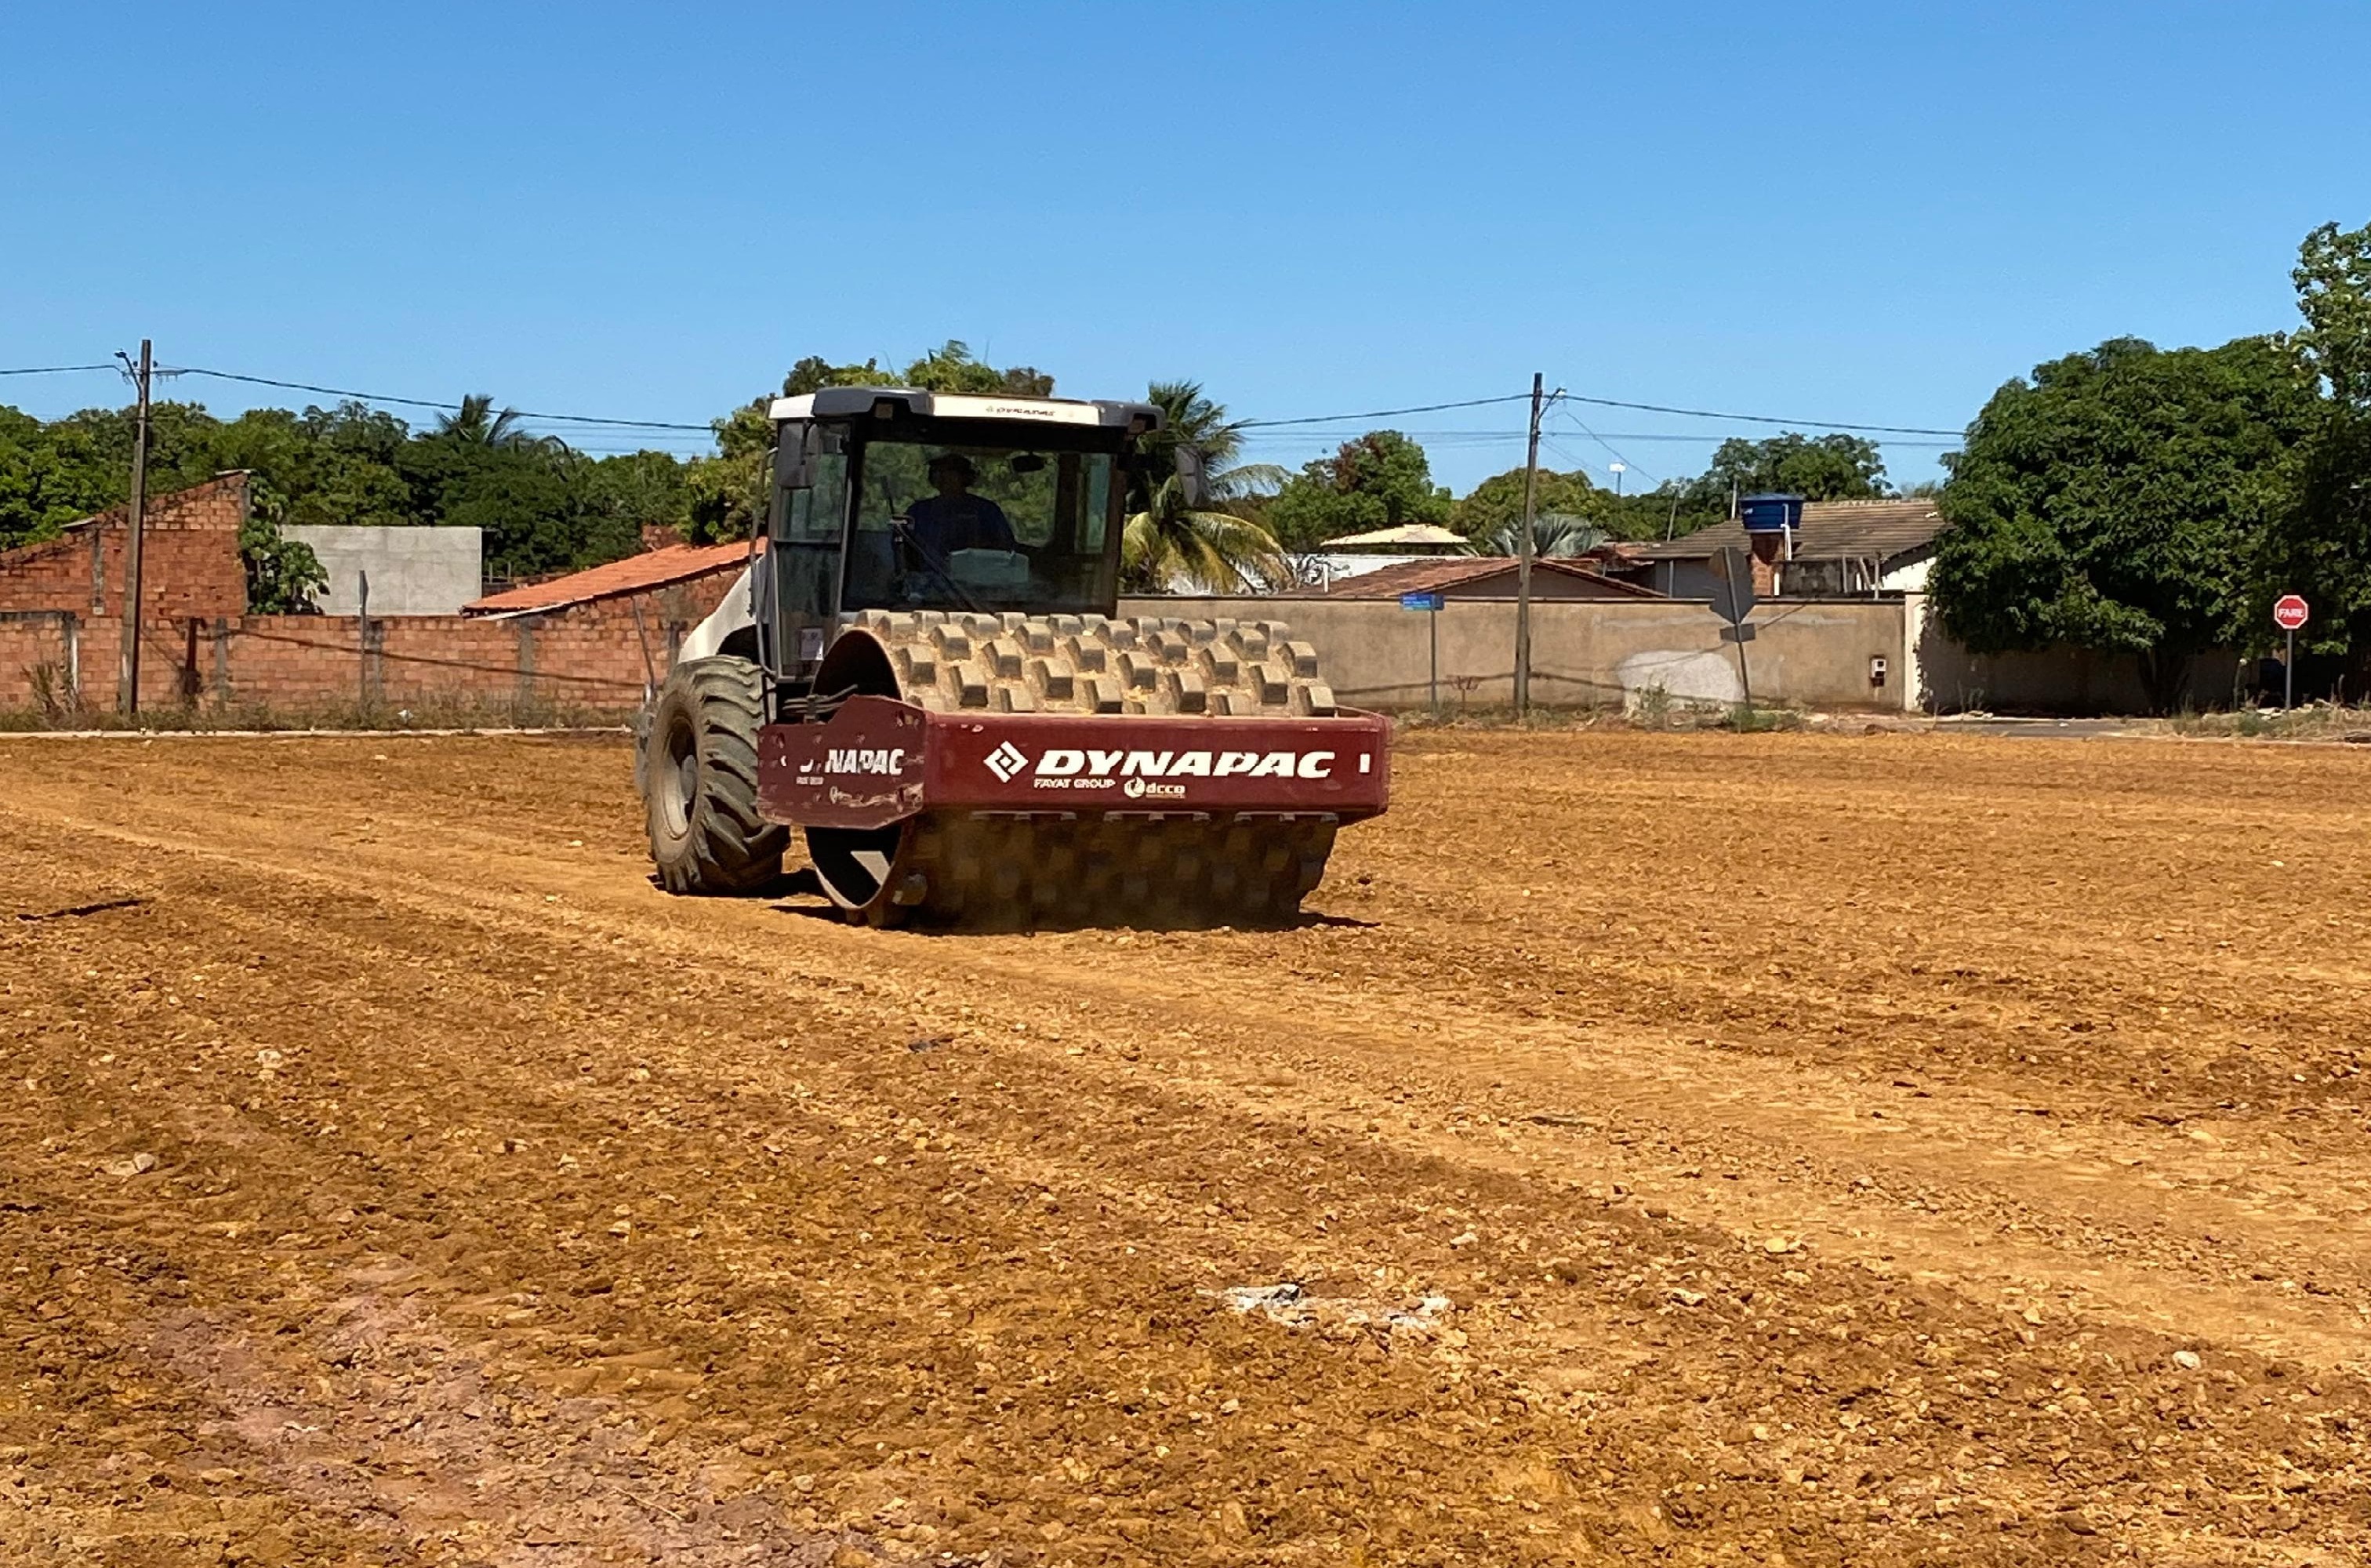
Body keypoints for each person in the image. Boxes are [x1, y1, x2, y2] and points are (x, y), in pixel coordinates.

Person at [902, 453, 1015, 560]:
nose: (942, 476)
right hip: (927, 579)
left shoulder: (985, 510)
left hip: (976, 577)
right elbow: (902, 550)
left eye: (950, 471)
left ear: (966, 476)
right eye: (937, 471)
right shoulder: (918, 511)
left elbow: (1006, 549)